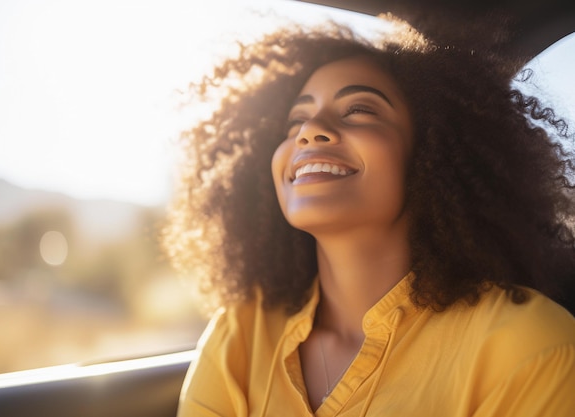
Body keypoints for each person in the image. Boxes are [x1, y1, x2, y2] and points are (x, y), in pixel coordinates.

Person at [163, 14, 575, 417]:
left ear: (433, 152)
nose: (310, 130)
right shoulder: (241, 333)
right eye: (295, 121)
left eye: (359, 109)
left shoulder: (530, 345)